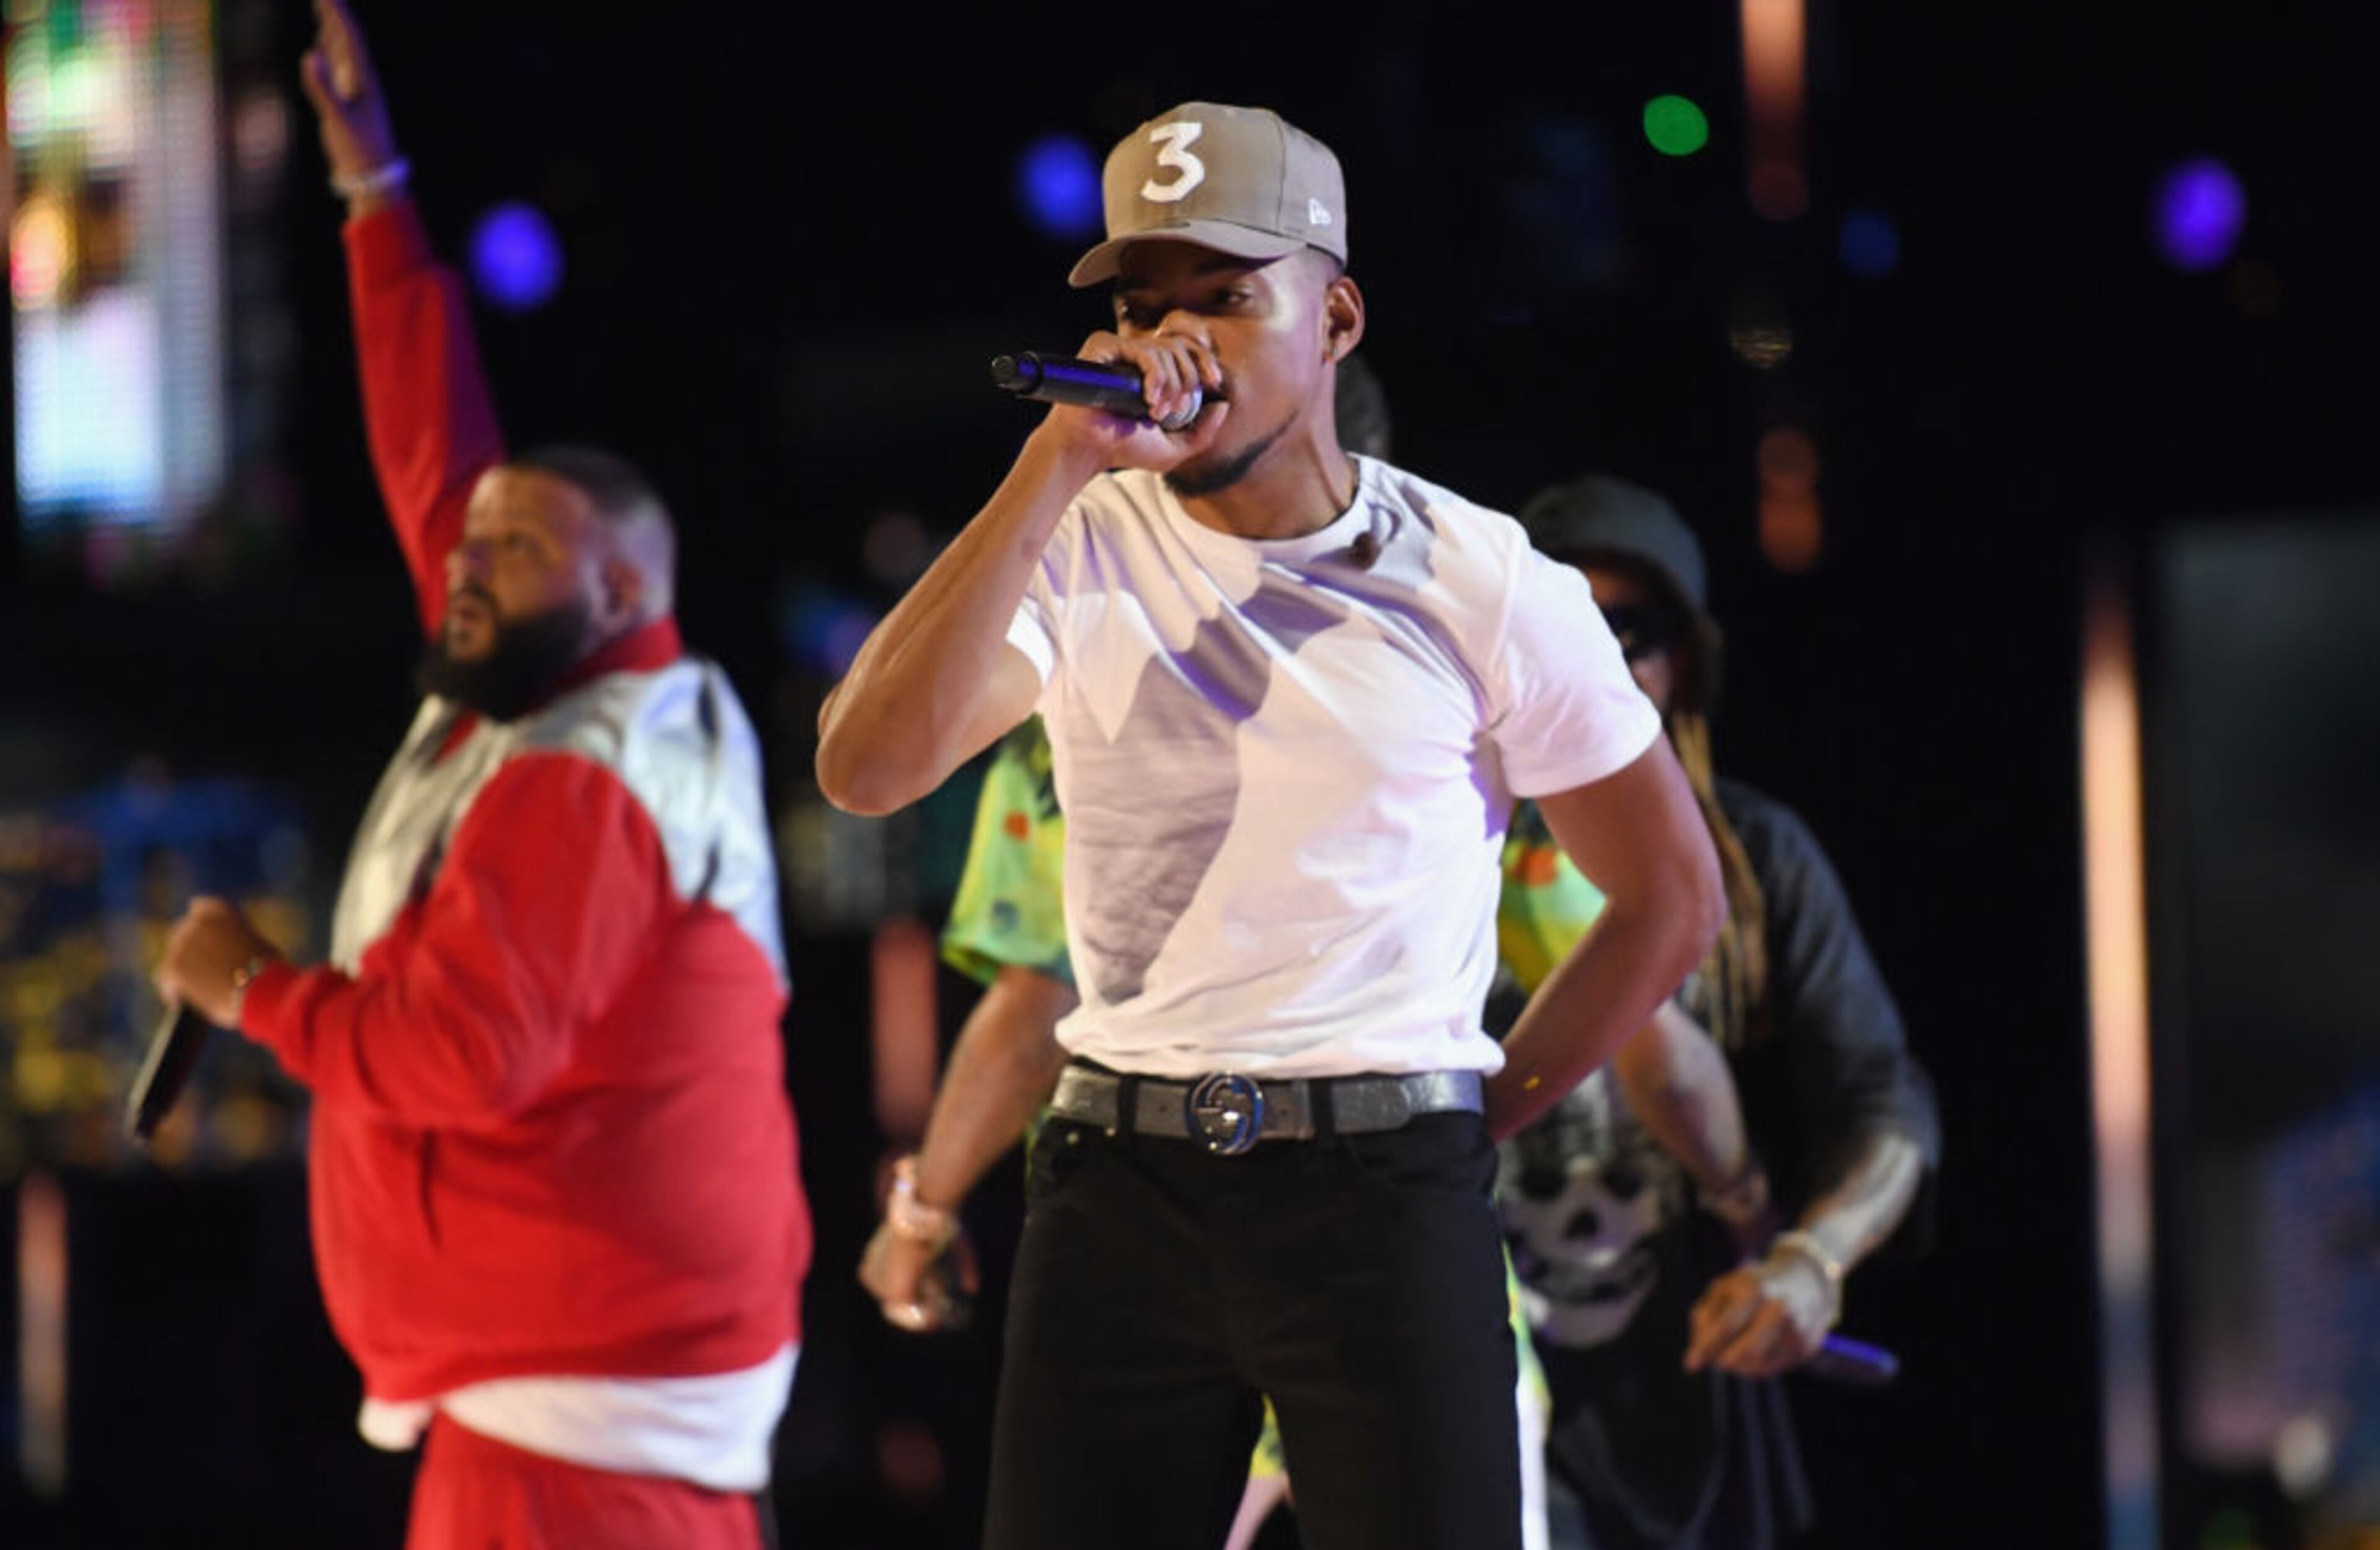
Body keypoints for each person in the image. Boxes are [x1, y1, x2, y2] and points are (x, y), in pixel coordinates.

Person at [816, 100, 1724, 1550]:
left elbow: (1672, 899)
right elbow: (866, 770)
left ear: (1339, 314)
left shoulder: (1482, 578)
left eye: (1229, 299)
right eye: (1138, 307)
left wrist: (1481, 1113)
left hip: (1382, 1192)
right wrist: (1054, 464)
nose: (1175, 344)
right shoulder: (1079, 543)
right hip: (1119, 1184)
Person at [152, 4, 811, 1546]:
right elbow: (434, 457)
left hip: (580, 1432)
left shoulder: (579, 779)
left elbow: (461, 1056)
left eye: (514, 549)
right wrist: (376, 193)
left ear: (620, 599)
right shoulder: (564, 684)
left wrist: (255, 988)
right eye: (473, 541)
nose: (468, 559)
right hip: (585, 1396)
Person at [1494, 474, 1940, 1550]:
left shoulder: (1754, 859)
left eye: (1630, 631)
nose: (1598, 660)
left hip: (1686, 1408)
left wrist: (1813, 1258)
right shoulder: (1435, 846)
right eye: (1570, 625)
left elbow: (1886, 1101)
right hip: (1479, 1388)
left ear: (1682, 658)